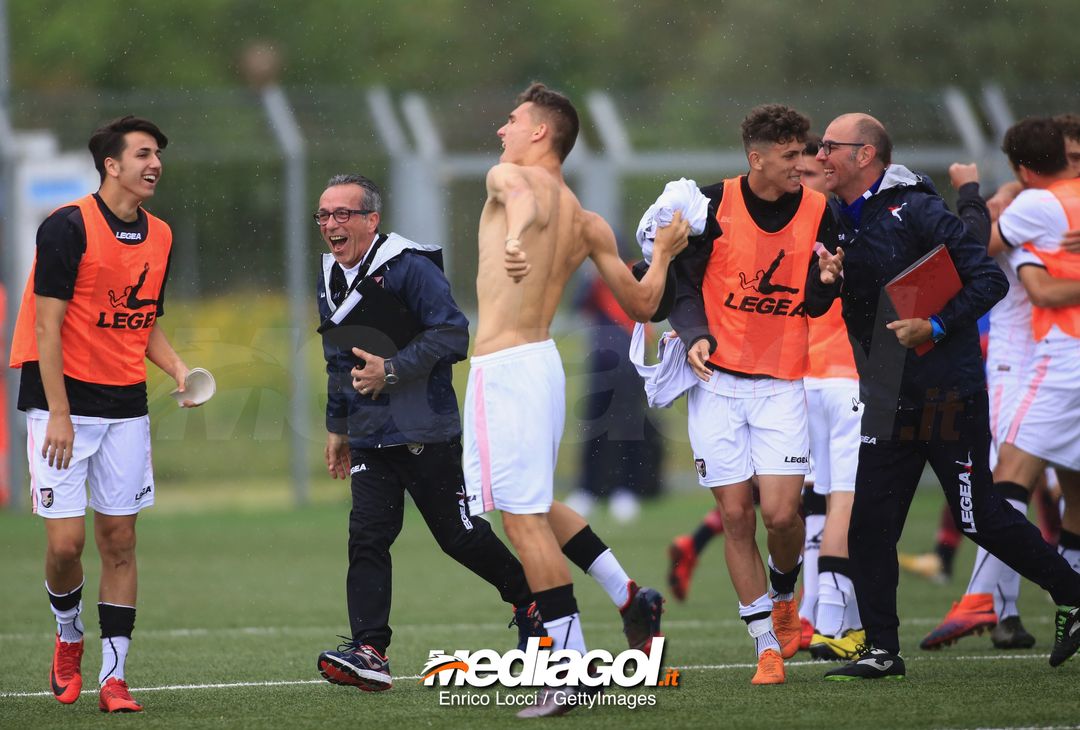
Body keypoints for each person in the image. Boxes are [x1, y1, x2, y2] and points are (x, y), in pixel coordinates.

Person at [806, 113, 1080, 680]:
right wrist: (826, 281)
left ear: (865, 156)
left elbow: (989, 280)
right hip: (885, 392)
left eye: (831, 146)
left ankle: (1072, 594)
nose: (820, 155)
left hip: (947, 391)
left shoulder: (917, 208)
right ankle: (883, 649)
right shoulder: (833, 217)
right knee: (869, 526)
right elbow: (813, 304)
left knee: (977, 513)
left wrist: (931, 326)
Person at [462, 82, 687, 718]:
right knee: (529, 502)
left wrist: (517, 234)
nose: (503, 129)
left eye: (513, 119)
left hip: (506, 370)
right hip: (542, 367)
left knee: (519, 520)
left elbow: (519, 197)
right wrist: (664, 255)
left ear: (540, 132)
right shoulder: (587, 219)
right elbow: (645, 304)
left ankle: (565, 671)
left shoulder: (509, 177)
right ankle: (630, 595)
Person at [311, 174, 541, 693]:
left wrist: (390, 371)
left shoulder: (408, 266)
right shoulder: (330, 273)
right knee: (367, 536)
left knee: (457, 537)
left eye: (343, 214)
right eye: (324, 216)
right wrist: (338, 427)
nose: (331, 225)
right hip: (370, 434)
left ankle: (532, 601)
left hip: (424, 428)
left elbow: (452, 333)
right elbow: (337, 359)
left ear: (373, 219)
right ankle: (370, 649)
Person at [8, 116, 192, 713]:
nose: (154, 163)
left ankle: (114, 678)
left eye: (157, 153)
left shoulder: (161, 235)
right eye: (142, 153)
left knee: (120, 539)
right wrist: (59, 412)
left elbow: (142, 321)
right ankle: (68, 637)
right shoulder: (67, 226)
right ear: (111, 165)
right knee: (66, 545)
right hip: (60, 404)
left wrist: (180, 370)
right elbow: (46, 323)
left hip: (124, 406)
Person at [665, 105, 832, 685]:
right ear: (755, 158)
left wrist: (829, 282)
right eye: (790, 155)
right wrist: (693, 336)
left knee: (783, 515)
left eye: (804, 152)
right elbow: (680, 286)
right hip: (717, 385)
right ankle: (764, 641)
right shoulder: (711, 207)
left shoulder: (819, 211)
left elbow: (814, 300)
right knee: (735, 514)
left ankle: (784, 593)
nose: (802, 164)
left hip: (783, 383)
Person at [920, 118, 1080, 654]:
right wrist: (1002, 196)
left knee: (1010, 478)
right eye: (1071, 156)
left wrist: (984, 193)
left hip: (1043, 364)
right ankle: (1008, 611)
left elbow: (972, 251)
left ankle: (985, 598)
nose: (1076, 165)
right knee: (1048, 482)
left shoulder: (1033, 204)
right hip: (1025, 362)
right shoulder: (1029, 203)